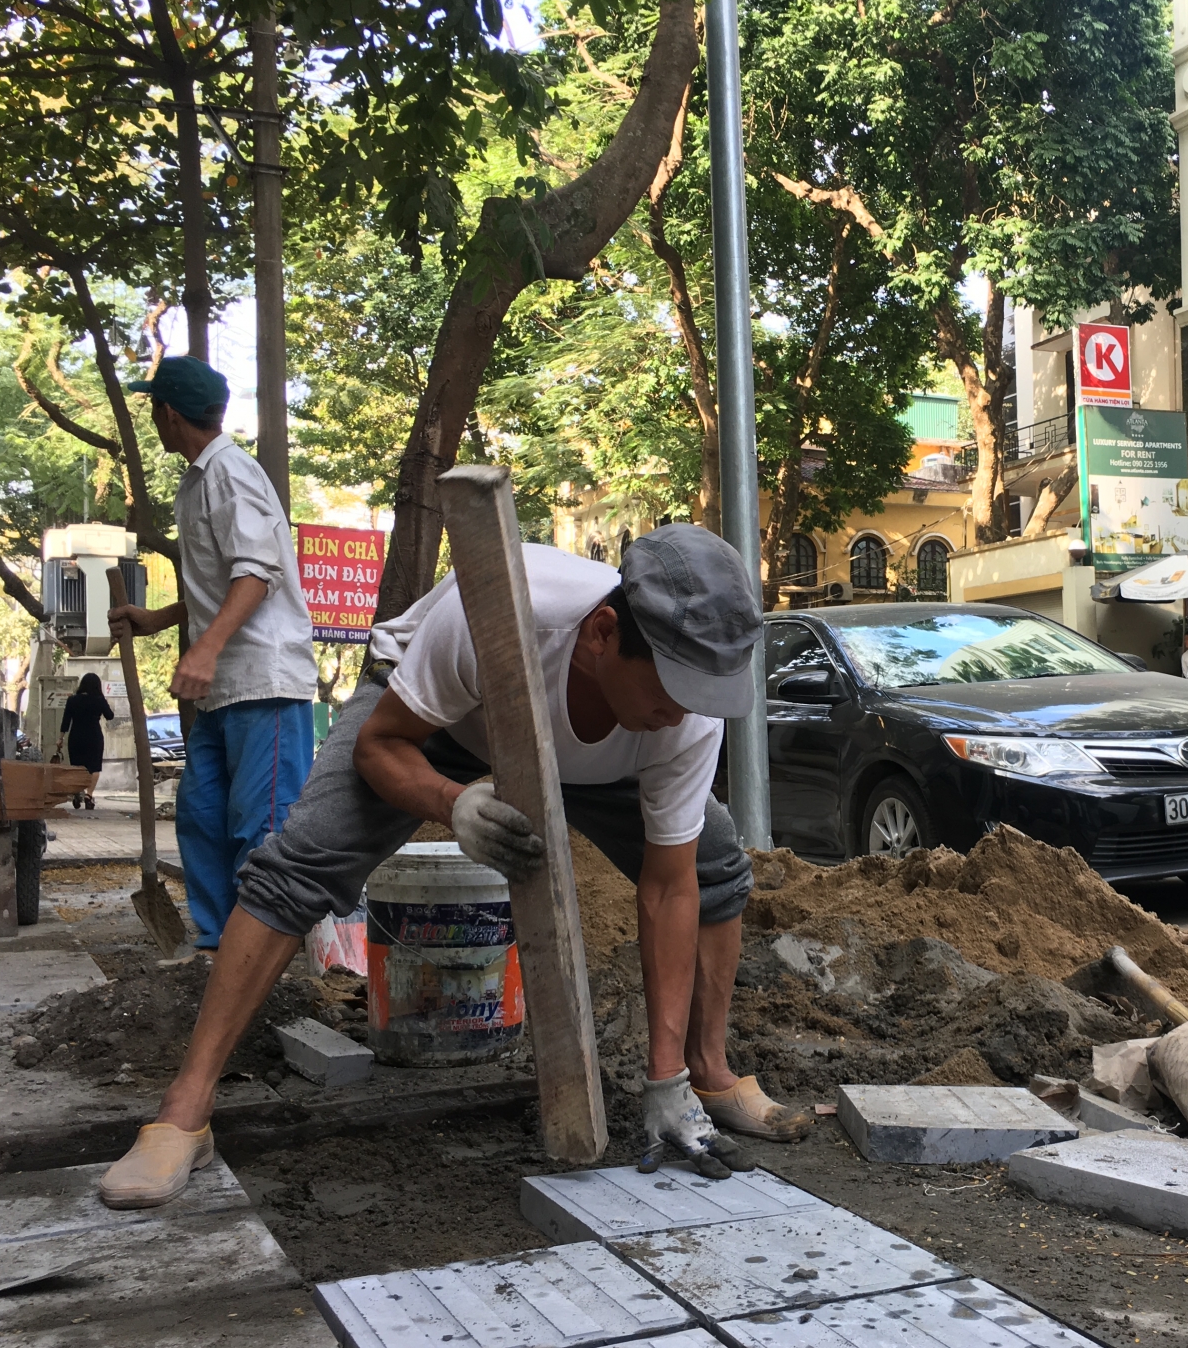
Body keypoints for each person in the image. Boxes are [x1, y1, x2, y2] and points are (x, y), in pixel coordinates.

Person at [96, 527, 813, 1209]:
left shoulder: (683, 710)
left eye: (701, 695)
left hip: (601, 755)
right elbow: (382, 747)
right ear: (602, 636)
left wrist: (662, 1077)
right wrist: (452, 804)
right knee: (298, 867)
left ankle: (704, 1077)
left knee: (717, 872)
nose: (685, 711)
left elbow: (670, 886)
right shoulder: (499, 614)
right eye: (671, 689)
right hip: (434, 721)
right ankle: (183, 1114)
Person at [107, 358, 318, 952]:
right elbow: (224, 581)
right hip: (222, 684)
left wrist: (203, 648)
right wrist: (162, 619)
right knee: (200, 814)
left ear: (169, 415)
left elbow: (256, 573)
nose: (153, 419)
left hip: (264, 681)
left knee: (263, 826)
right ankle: (219, 945)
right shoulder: (197, 480)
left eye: (154, 409)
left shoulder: (230, 474)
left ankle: (268, 954)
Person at [59, 672, 114, 809]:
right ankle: (89, 795)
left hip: (76, 737)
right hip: (94, 737)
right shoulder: (99, 700)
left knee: (77, 766)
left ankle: (79, 792)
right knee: (94, 767)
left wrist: (60, 738)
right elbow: (110, 716)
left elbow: (66, 721)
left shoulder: (72, 700)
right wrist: (102, 702)